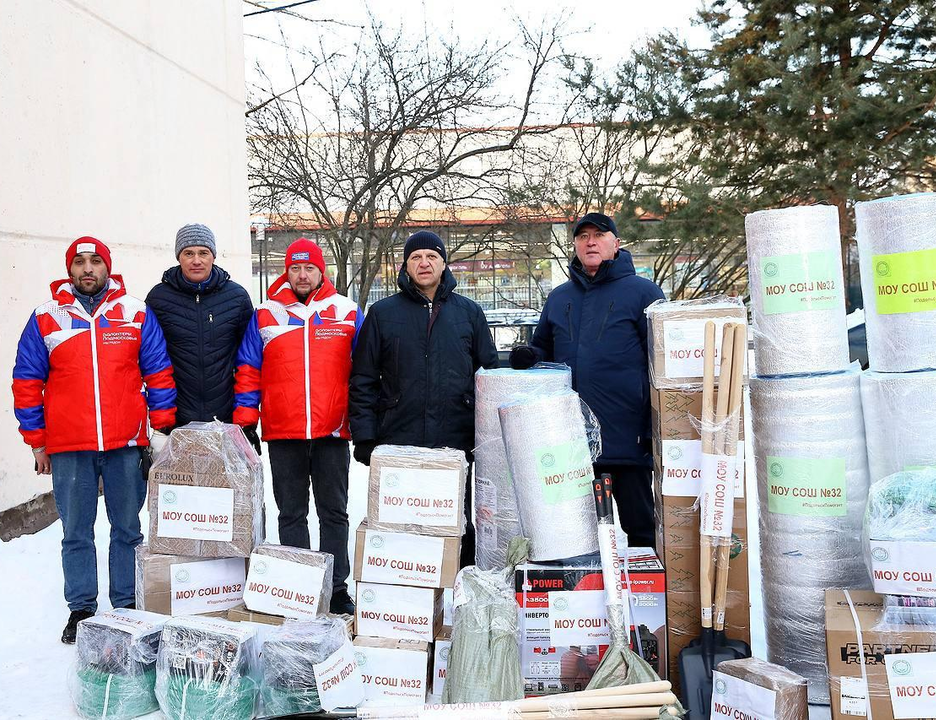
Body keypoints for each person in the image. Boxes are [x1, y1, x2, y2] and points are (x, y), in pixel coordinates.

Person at [12, 237, 177, 643]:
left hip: (124, 443)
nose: (88, 269)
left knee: (127, 527)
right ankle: (82, 608)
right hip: (69, 446)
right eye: (80, 262)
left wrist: (159, 432)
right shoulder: (46, 317)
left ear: (108, 267)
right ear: (70, 269)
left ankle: (125, 604)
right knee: (76, 532)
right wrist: (37, 440)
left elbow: (158, 373)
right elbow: (27, 381)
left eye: (96, 261)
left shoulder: (134, 312)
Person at [509, 213, 664, 547]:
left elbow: (661, 359)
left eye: (599, 234)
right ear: (576, 246)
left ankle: (649, 594)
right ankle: (588, 596)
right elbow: (542, 349)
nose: (590, 241)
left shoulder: (643, 292)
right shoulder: (559, 297)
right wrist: (529, 356)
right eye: (582, 237)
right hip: (572, 440)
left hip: (627, 435)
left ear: (616, 243)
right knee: (576, 533)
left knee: (641, 528)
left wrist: (654, 426)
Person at [349, 230, 498, 566]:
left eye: (431, 256)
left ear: (444, 264)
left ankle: (458, 597)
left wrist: (486, 434)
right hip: (399, 439)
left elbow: (488, 375)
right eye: (416, 257)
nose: (424, 263)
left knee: (455, 525)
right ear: (405, 266)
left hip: (454, 439)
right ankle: (408, 605)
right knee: (402, 527)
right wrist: (365, 435)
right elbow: (363, 378)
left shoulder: (469, 313)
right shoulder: (383, 313)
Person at [234, 238, 362, 614]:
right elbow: (247, 371)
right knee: (291, 512)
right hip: (283, 431)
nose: (302, 275)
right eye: (295, 268)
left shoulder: (346, 312)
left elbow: (365, 372)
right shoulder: (265, 314)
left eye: (309, 268)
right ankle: (298, 585)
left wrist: (362, 422)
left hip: (332, 431)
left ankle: (337, 588)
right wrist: (246, 421)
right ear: (285, 272)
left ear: (322, 271)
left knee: (333, 511)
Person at [145, 223, 254, 446]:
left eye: (203, 253)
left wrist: (245, 418)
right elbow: (152, 361)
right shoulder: (158, 298)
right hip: (177, 420)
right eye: (188, 253)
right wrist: (162, 422)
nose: (196, 260)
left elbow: (249, 362)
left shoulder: (237, 298)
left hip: (225, 419)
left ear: (213, 256)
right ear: (179, 257)